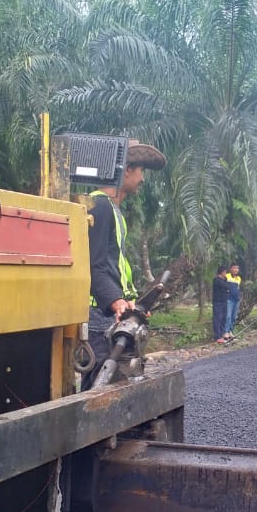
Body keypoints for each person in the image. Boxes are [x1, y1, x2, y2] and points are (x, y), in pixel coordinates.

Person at [83, 139, 167, 389]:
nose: (142, 178)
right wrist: (116, 302)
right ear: (127, 169)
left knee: (112, 381)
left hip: (108, 312)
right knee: (99, 383)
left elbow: (113, 266)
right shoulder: (99, 207)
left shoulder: (112, 209)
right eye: (141, 170)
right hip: (99, 315)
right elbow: (93, 265)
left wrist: (128, 301)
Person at [212, 265, 231, 344]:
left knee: (223, 318)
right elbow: (226, 286)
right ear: (222, 272)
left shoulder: (224, 280)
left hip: (224, 301)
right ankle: (217, 336)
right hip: (218, 302)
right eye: (225, 272)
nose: (226, 274)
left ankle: (222, 334)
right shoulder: (216, 280)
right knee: (218, 318)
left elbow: (227, 287)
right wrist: (226, 284)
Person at [223, 264, 242, 339]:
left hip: (236, 300)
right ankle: (226, 332)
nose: (236, 270)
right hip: (229, 299)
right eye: (234, 268)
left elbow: (237, 288)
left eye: (237, 268)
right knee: (228, 316)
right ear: (230, 269)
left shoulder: (239, 278)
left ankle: (231, 331)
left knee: (234, 317)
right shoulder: (226, 276)